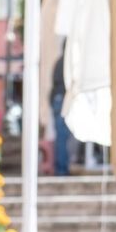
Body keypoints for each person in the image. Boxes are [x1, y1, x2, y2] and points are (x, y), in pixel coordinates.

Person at [51, 48, 71, 176]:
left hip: (57, 99)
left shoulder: (59, 61)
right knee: (63, 136)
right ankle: (62, 169)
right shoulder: (67, 61)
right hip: (63, 100)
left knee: (61, 136)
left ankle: (61, 167)